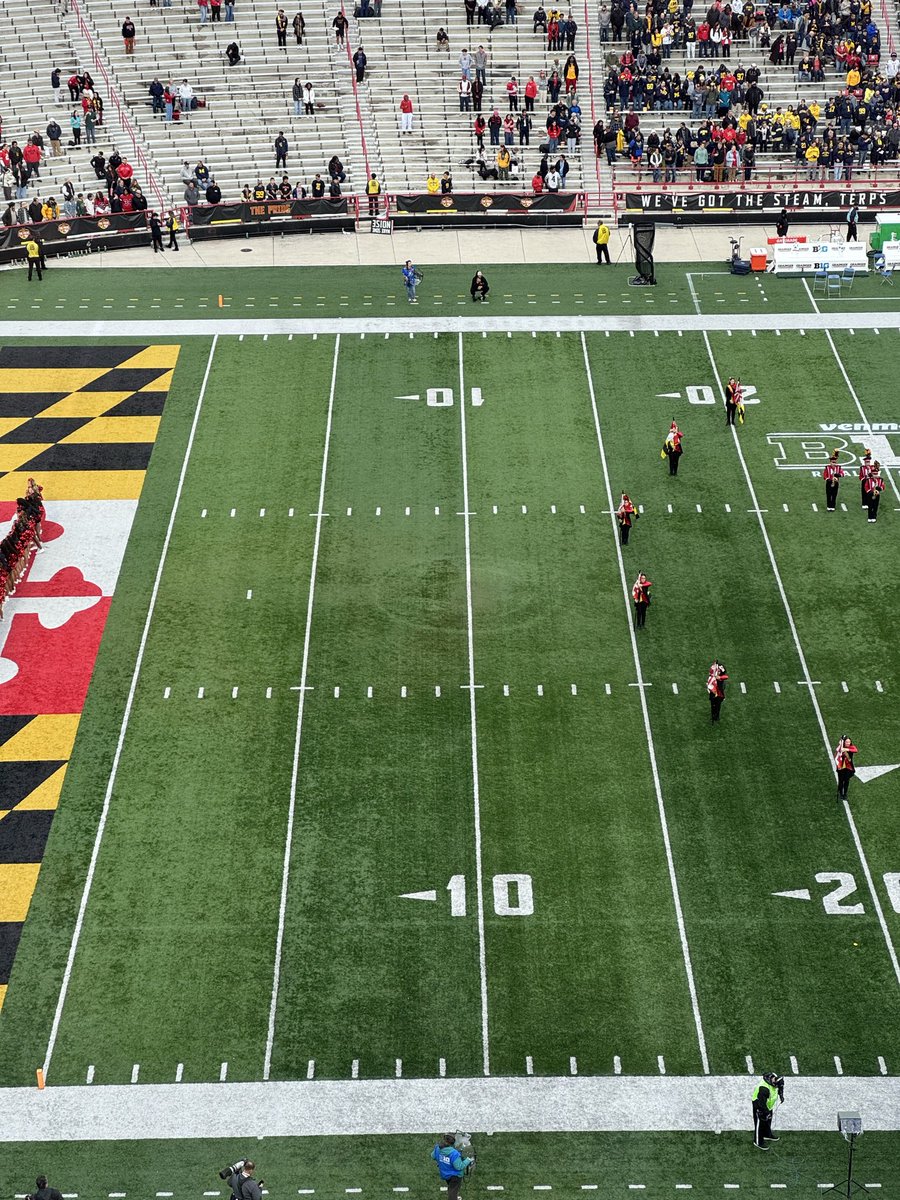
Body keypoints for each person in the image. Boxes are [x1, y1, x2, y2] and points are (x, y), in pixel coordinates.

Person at [432, 1136, 473, 1200]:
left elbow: (433, 1156)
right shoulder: (454, 1153)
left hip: (445, 1174)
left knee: (452, 1188)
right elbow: (459, 1167)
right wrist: (468, 1160)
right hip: (455, 1176)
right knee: (452, 1192)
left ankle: (455, 1197)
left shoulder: (438, 1148)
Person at [752, 1072, 784, 1149]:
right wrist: (765, 1112)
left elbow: (780, 1087)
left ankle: (767, 1134)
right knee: (760, 1123)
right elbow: (761, 1103)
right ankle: (758, 1141)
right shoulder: (764, 1088)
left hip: (768, 1105)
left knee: (768, 1120)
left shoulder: (775, 1081)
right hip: (759, 1106)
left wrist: (781, 1095)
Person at [835, 735, 858, 800]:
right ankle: (841, 794)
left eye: (849, 742)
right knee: (841, 781)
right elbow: (837, 751)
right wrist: (840, 745)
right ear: (844, 742)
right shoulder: (841, 747)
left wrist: (846, 749)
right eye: (846, 742)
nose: (848, 743)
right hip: (841, 767)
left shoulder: (851, 747)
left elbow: (855, 750)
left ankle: (845, 794)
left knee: (846, 781)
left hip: (848, 767)